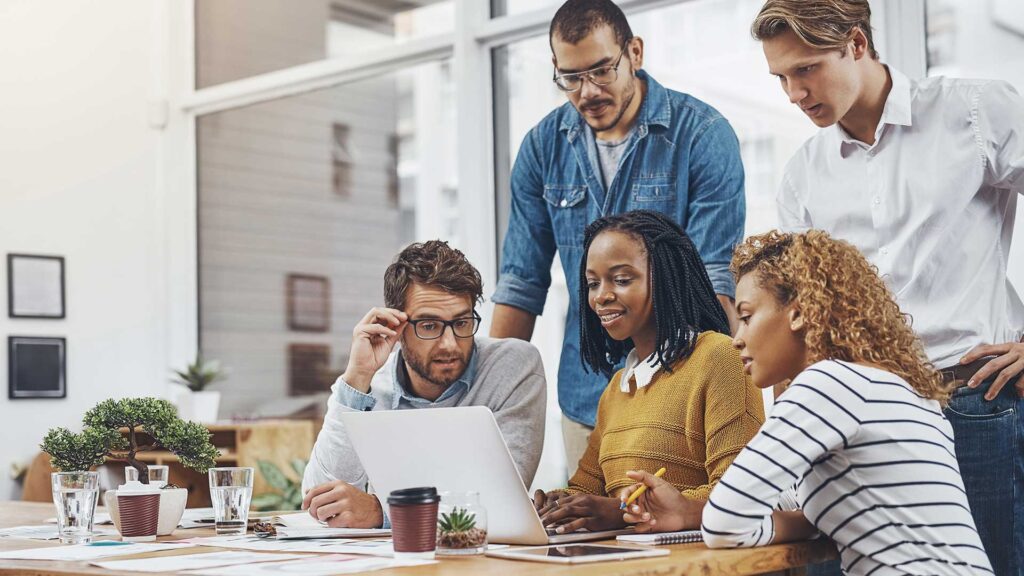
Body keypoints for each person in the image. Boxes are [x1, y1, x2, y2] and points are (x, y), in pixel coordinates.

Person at [751, 1, 1024, 572]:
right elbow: (802, 321)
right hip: (868, 421)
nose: (794, 94)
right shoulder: (804, 174)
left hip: (975, 400)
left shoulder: (974, 112)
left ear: (855, 43)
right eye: (781, 77)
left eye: (806, 69)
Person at [624, 230, 993, 575]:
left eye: (748, 317)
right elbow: (782, 500)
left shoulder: (825, 384)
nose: (736, 338)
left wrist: (807, 523)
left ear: (799, 313)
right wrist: (687, 513)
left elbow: (725, 524)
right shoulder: (899, 388)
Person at [490, 0, 746, 476]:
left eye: (602, 70)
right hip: (587, 395)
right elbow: (521, 284)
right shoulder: (542, 149)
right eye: (570, 77)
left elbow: (715, 284)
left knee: (670, 532)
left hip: (676, 395)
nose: (587, 91)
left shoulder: (702, 135)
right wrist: (484, 403)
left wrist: (717, 387)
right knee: (588, 534)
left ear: (635, 52)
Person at [533, 210, 763, 535]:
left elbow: (743, 491)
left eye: (622, 279)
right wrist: (557, 505)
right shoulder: (617, 388)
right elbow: (588, 489)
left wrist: (623, 512)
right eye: (592, 283)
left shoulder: (718, 357)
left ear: (668, 277)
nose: (601, 296)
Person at [301, 240, 546, 528]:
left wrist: (384, 513)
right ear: (397, 326)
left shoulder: (513, 367)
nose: (450, 344)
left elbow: (500, 502)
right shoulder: (370, 385)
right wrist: (357, 378)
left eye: (462, 323)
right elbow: (319, 501)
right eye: (430, 326)